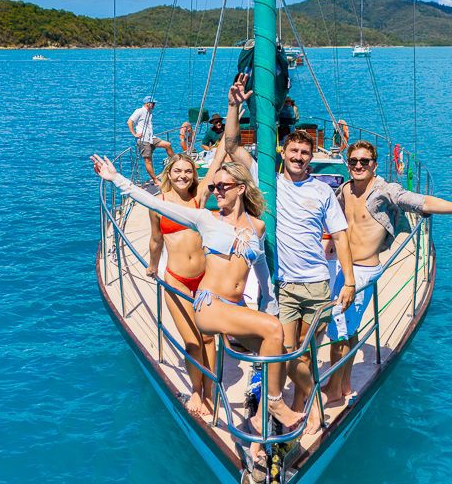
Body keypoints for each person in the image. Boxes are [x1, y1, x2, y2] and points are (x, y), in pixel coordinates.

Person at [91, 154, 304, 438]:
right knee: (273, 330)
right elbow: (153, 202)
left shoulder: (257, 226)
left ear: (240, 188)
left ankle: (294, 405)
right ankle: (274, 404)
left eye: (223, 187)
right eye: (214, 187)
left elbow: (263, 276)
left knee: (283, 353)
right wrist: (115, 178)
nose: (216, 192)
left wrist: (270, 306)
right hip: (209, 304)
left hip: (235, 306)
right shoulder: (205, 218)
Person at [225, 74, 356, 435]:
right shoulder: (266, 181)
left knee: (304, 348)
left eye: (305, 153)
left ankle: (299, 404)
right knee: (285, 348)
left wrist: (349, 280)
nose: (299, 157)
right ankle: (302, 401)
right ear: (283, 152)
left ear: (311, 157)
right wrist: (234, 105)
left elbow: (341, 236)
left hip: (316, 283)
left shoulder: (322, 192)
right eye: (294, 151)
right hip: (282, 286)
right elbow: (232, 144)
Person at [323, 140, 452, 404]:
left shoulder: (384, 191)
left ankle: (334, 389)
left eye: (364, 161)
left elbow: (418, 201)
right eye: (353, 161)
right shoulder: (344, 189)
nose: (358, 165)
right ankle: (342, 384)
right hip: (346, 267)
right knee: (349, 328)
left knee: (338, 331)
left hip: (363, 270)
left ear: (374, 165)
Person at [145, 150, 228, 416]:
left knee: (208, 338)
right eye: (178, 171)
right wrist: (152, 266)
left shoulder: (199, 197)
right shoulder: (158, 203)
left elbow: (218, 159)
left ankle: (211, 390)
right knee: (192, 341)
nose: (183, 175)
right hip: (177, 280)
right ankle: (196, 389)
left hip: (205, 280)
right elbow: (156, 239)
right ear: (169, 173)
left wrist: (232, 109)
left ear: (194, 175)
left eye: (188, 171)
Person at [128, 96, 173, 185]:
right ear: (147, 103)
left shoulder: (149, 112)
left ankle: (175, 162)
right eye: (153, 103)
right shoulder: (139, 111)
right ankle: (155, 180)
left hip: (151, 138)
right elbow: (129, 121)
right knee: (148, 160)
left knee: (167, 145)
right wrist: (134, 134)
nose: (154, 105)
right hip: (143, 140)